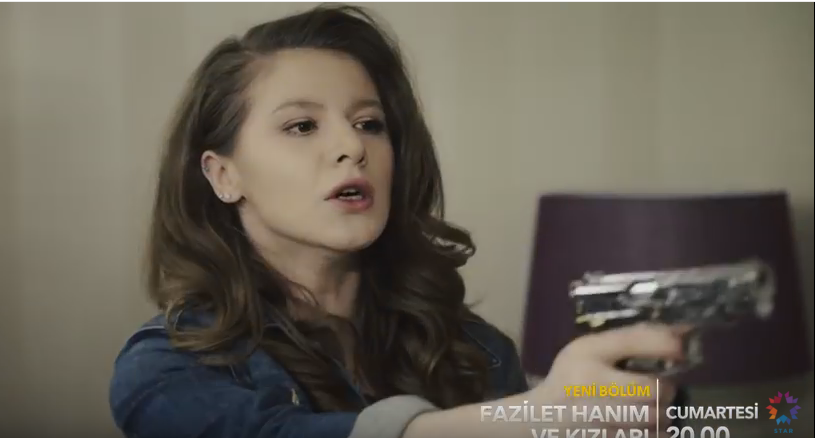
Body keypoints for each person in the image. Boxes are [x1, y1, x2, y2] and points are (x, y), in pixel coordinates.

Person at [108, 5, 686, 438]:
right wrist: (529, 420)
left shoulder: (476, 350)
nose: (352, 147)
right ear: (223, 175)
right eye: (302, 126)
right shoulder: (165, 366)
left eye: (370, 124)